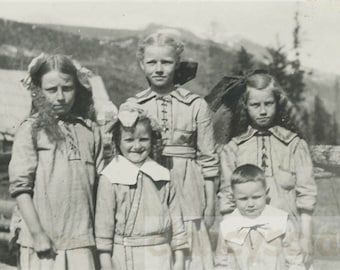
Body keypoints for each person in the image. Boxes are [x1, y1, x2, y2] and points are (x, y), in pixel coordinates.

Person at [133, 29, 220, 270]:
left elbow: (208, 159)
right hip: (150, 186)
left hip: (188, 186)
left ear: (177, 64)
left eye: (166, 62)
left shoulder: (196, 105)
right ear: (142, 64)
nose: (159, 69)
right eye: (151, 62)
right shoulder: (134, 106)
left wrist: (210, 203)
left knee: (190, 250)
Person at [8, 53, 104, 270]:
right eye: (51, 90)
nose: (60, 97)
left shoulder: (90, 130)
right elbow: (21, 188)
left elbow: (101, 185)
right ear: (39, 92)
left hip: (83, 241)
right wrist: (38, 234)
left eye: (67, 88)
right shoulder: (31, 129)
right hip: (44, 243)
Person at [214, 71, 317, 269]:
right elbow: (228, 199)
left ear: (277, 103)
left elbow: (306, 196)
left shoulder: (294, 145)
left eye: (268, 104)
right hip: (247, 240)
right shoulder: (234, 148)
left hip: (289, 237)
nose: (263, 111)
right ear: (245, 106)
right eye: (255, 105)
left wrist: (306, 237)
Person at [95, 102, 187, 270]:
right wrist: (106, 263)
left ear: (152, 140)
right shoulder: (110, 177)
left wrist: (179, 259)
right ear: (117, 141)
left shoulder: (163, 175)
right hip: (125, 255)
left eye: (143, 139)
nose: (137, 146)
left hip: (160, 254)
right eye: (129, 140)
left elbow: (176, 220)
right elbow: (103, 226)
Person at [215, 164, 305, 270]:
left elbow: (295, 261)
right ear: (233, 198)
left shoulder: (281, 221)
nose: (250, 204)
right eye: (243, 199)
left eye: (256, 197)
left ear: (266, 193)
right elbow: (222, 263)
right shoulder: (228, 226)